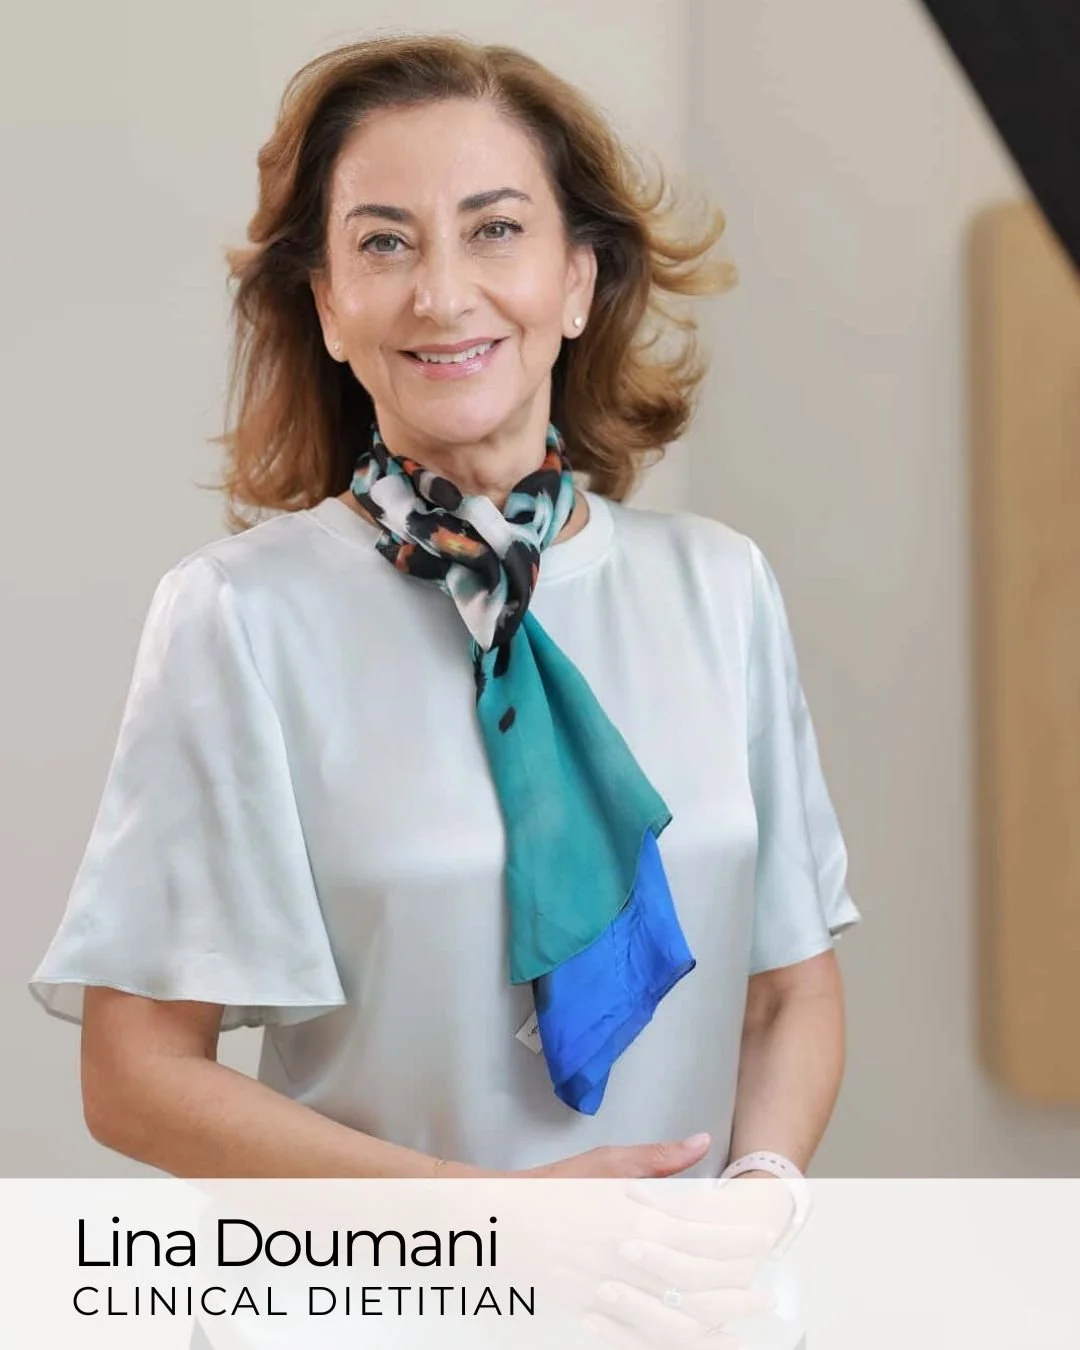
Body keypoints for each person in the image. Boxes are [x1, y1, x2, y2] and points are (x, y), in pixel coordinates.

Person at [29, 32, 859, 1348]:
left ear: (577, 278)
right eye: (384, 243)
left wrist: (761, 1199)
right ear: (326, 306)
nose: (442, 292)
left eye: (495, 230)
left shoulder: (723, 590)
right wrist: (479, 1228)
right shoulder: (242, 617)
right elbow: (136, 1077)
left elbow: (786, 989)